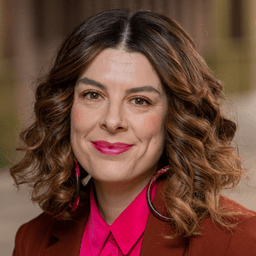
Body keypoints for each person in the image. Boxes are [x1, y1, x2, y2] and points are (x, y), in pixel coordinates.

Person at [11, 9, 256, 256]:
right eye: (93, 95)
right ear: (66, 108)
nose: (112, 120)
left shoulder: (240, 242)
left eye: (139, 100)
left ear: (175, 118)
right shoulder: (32, 242)